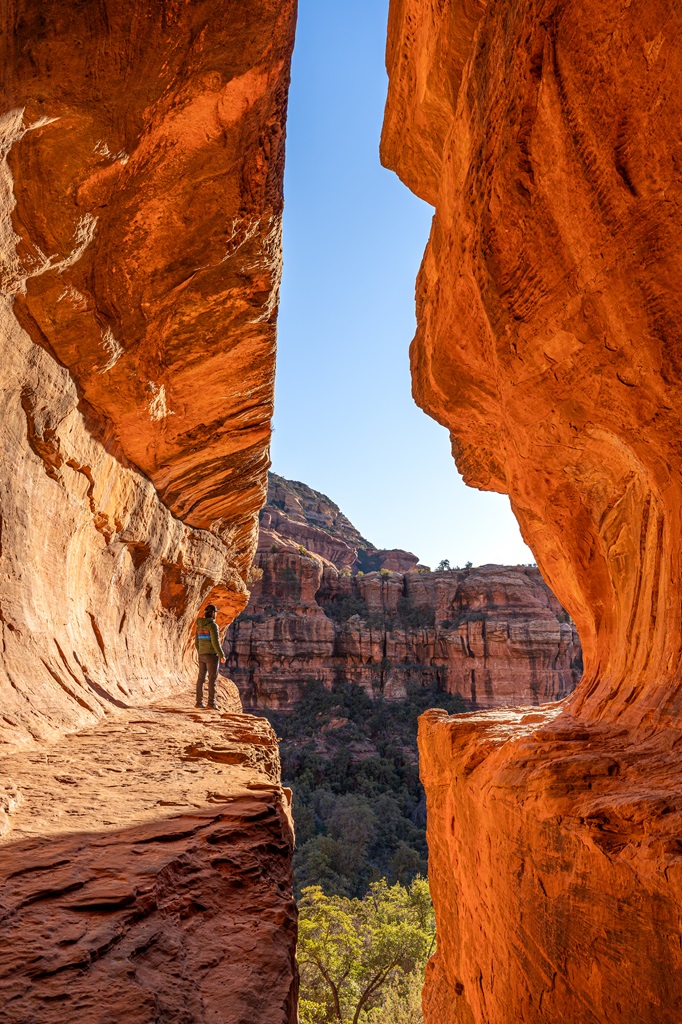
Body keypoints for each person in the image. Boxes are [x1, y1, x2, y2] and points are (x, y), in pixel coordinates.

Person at [194, 603, 226, 709]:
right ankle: (211, 703)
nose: (215, 615)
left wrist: (200, 652)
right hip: (211, 656)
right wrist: (221, 655)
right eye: (215, 613)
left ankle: (199, 703)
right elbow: (215, 642)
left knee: (201, 679)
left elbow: (197, 642)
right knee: (212, 679)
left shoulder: (199, 625)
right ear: (212, 613)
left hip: (202, 655)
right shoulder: (213, 626)